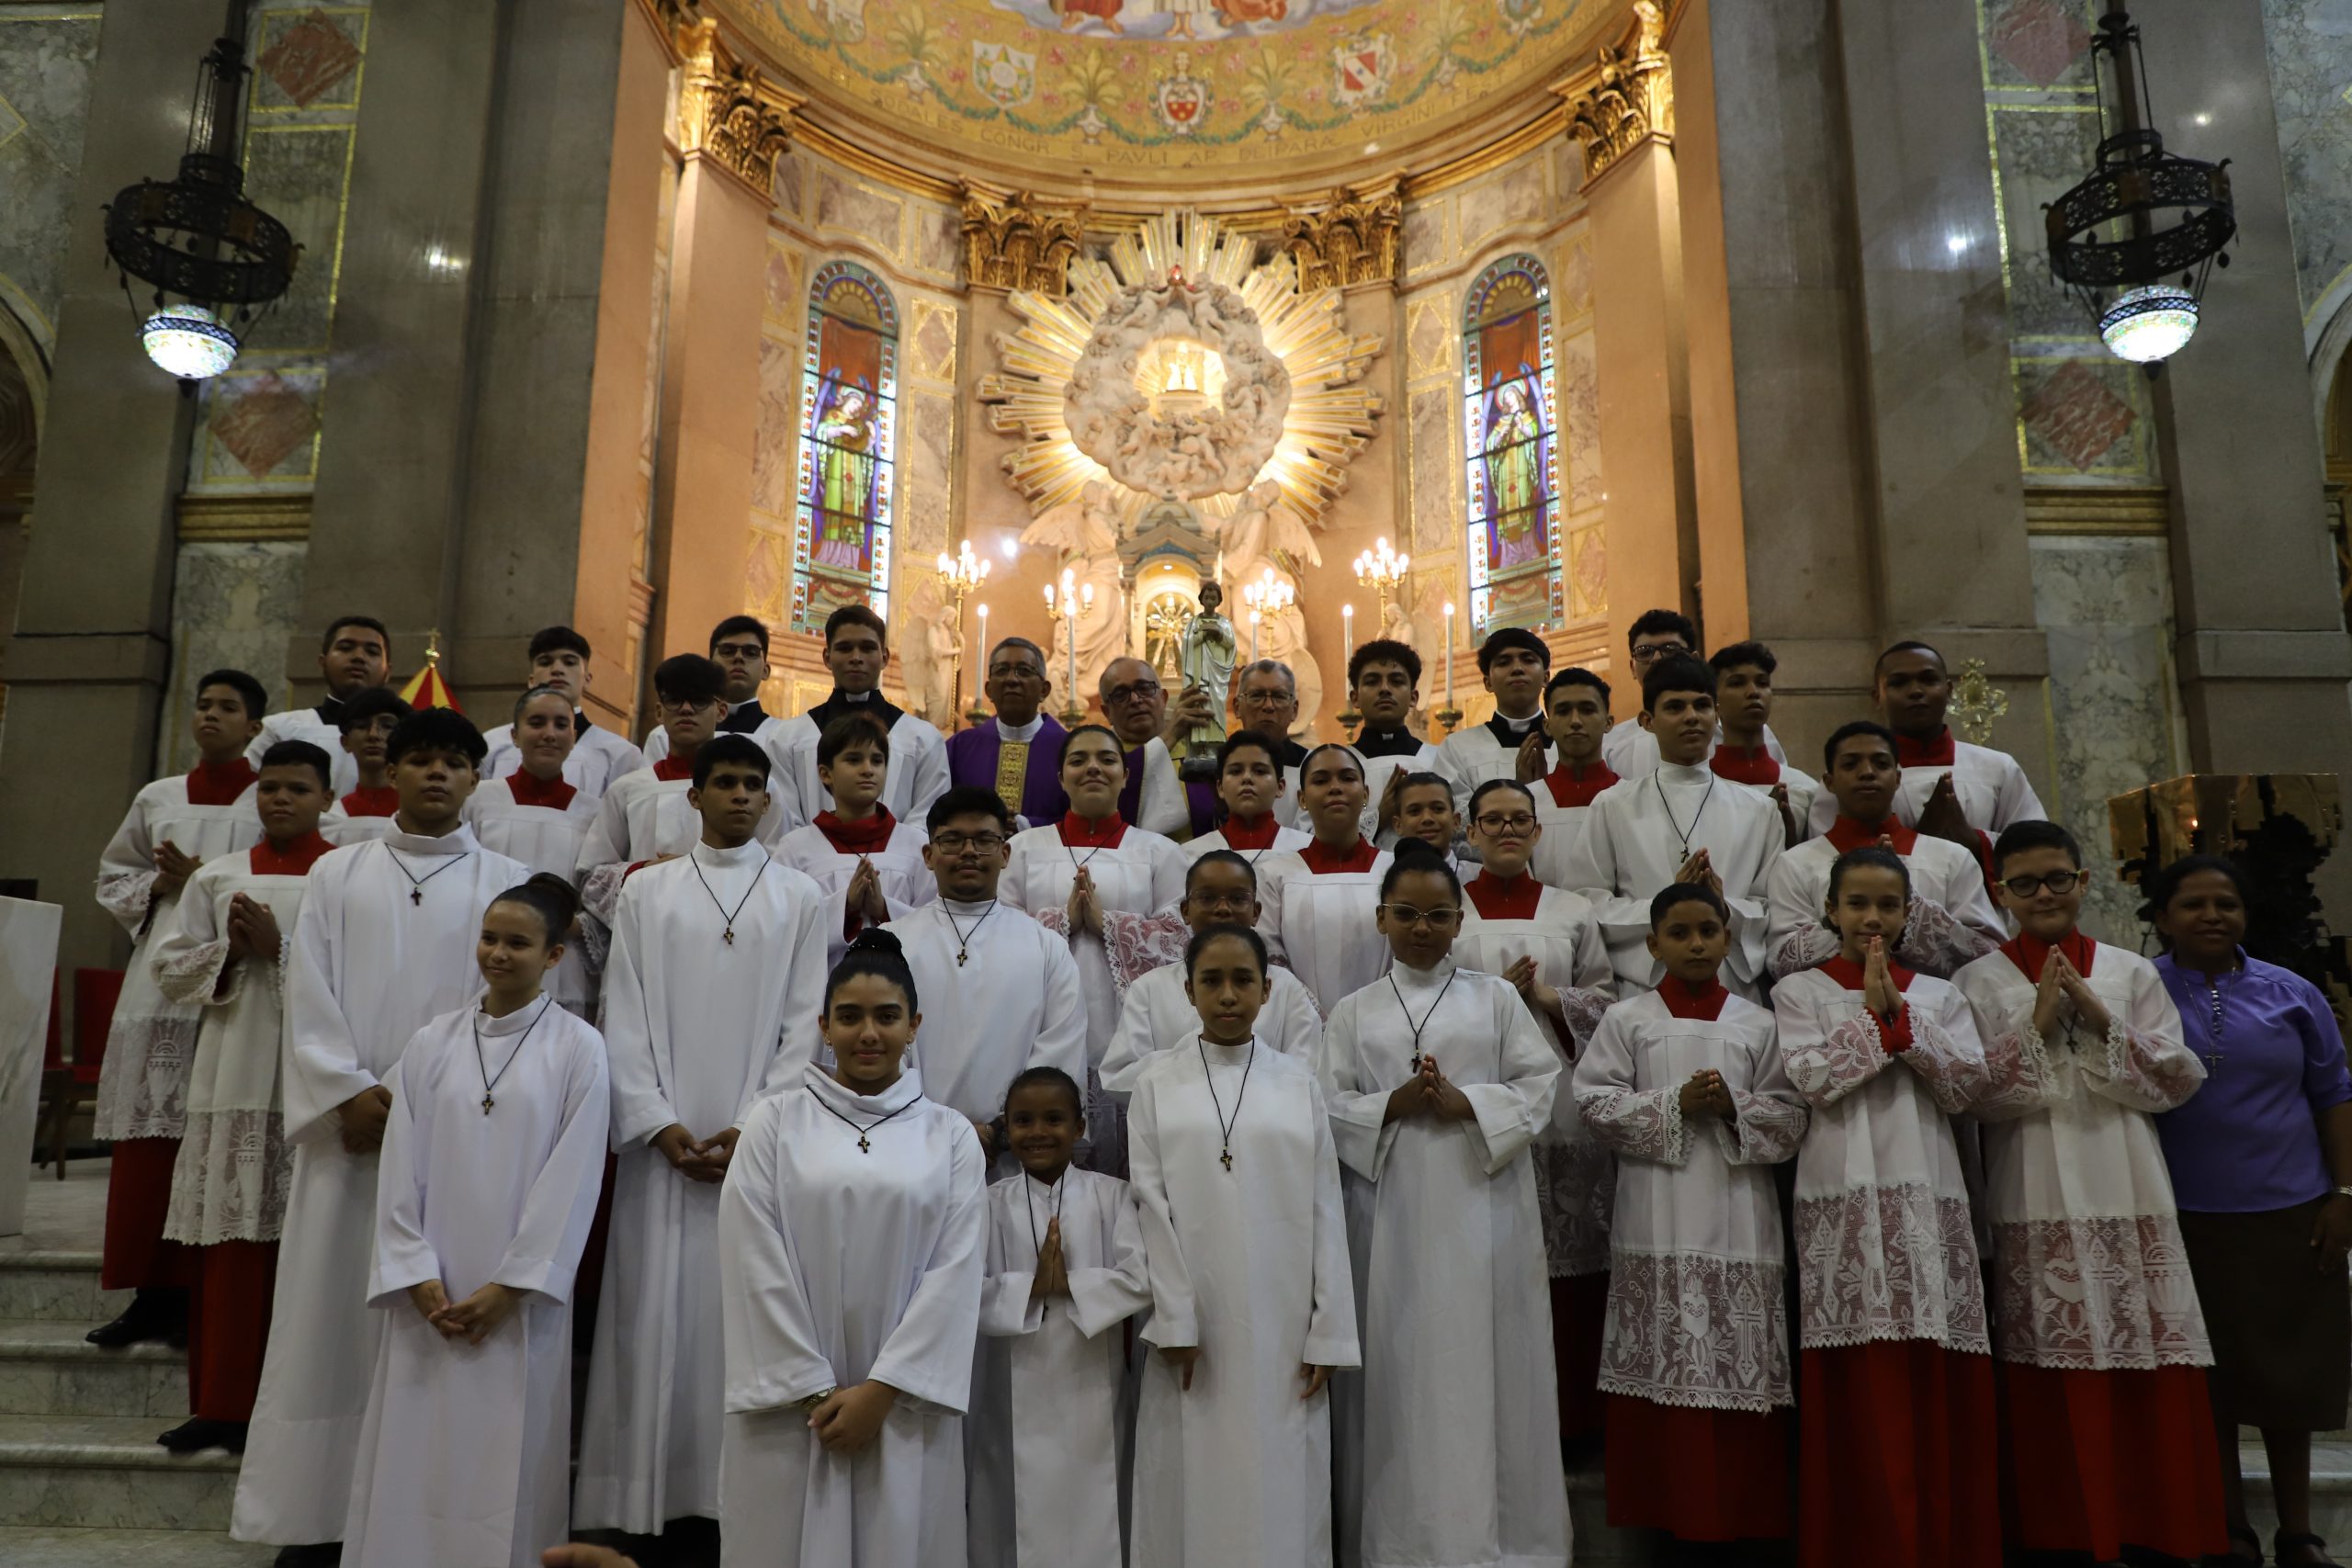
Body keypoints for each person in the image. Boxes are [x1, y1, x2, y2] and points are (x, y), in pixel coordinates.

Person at [234, 708, 531, 1562]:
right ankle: (314, 1516)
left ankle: (412, 1518)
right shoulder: (338, 872)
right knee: (325, 1321)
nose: (437, 775)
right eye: (421, 760)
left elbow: (498, 1005)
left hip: (450, 1135)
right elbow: (309, 988)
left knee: (424, 1316)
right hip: (347, 1137)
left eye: (454, 763)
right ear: (388, 772)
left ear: (478, 779)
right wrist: (348, 1093)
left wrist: (401, 1095)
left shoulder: (508, 881)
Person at [575, 734, 830, 1550]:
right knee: (652, 1318)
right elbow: (626, 1009)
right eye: (726, 783)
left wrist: (754, 1124)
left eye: (754, 785)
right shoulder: (648, 895)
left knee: (741, 1316)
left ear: (769, 798)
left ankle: (735, 1503)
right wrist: (657, 1121)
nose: (741, 797)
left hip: (754, 1150)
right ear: (695, 795)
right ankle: (647, 1504)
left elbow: (804, 1024)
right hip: (667, 1150)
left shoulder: (799, 897)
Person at [1952, 821, 2222, 1565]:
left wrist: (2099, 1019)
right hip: (2030, 1180)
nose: (2044, 894)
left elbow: (2176, 1079)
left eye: (2058, 879)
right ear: (2000, 892)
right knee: (2055, 1352)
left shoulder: (2130, 973)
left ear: (2083, 880)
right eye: (2026, 883)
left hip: (2127, 1174)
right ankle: (2066, 1533)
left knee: (2147, 1349)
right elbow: (1974, 1094)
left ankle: (2155, 1527)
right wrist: (2038, 1023)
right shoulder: (1977, 981)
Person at [341, 875, 610, 1568]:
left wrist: (514, 1284)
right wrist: (414, 1270)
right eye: (489, 938)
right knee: (413, 1446)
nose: (497, 953)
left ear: (554, 955)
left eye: (517, 942)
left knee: (506, 1457)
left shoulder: (579, 1049)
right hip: (429, 1293)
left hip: (516, 1302)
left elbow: (572, 1178)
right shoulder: (432, 1041)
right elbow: (401, 1162)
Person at [1317, 843, 1570, 1568]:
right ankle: (1399, 1544)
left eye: (1437, 915)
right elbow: (1326, 1104)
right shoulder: (1354, 1010)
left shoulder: (1494, 999)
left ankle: (1503, 1542)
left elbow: (1538, 1084)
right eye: (1407, 914)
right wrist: (1391, 1104)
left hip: (1482, 1206)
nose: (1421, 928)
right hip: (1387, 1210)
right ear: (1380, 918)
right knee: (1398, 1371)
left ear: (1460, 920)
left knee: (1490, 1364)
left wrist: (1467, 1103)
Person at [716, 930, 989, 1568]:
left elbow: (957, 1271)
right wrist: (812, 1388)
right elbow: (750, 1252)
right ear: (824, 1025)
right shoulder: (772, 1121)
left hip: (902, 1406)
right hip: (789, 1408)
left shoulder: (949, 1135)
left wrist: (883, 1390)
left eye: (887, 1016)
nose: (869, 1032)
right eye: (851, 1016)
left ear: (914, 1025)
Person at [1771, 845, 1998, 1568]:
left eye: (1888, 905)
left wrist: (1901, 1016)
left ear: (1908, 914)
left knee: (1932, 1361)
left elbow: (1967, 1088)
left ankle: (1941, 1541)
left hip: (1929, 1187)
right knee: (1854, 1373)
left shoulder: (1940, 992)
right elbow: (1809, 1077)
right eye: (1857, 903)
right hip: (1839, 1191)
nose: (1872, 918)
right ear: (1829, 910)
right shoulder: (1797, 991)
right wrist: (1876, 1022)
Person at [1574, 882, 1805, 1551]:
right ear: (1652, 944)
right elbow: (1593, 1103)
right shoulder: (1629, 1018)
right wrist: (1677, 1103)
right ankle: (1666, 1527)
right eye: (1680, 932)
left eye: (1709, 929)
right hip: (1656, 1217)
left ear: (1729, 939)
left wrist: (1734, 1108)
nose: (1697, 943)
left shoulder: (1757, 1022)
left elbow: (1791, 1117)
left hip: (1740, 1218)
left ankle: (1742, 1526)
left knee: (1736, 1374)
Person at [1127, 923, 1360, 1568]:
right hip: (1195, 1319)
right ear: (1188, 990)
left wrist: (1330, 1327)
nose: (1228, 994)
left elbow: (1324, 1204)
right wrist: (1174, 1317)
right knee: (1192, 1473)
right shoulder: (1155, 1084)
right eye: (1212, 980)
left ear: (1267, 990)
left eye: (1242, 981)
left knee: (1283, 1470)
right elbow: (1150, 1204)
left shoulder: (1297, 1082)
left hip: (1285, 1321)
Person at [2148, 855, 2352, 1568]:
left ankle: (2299, 1534)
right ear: (2163, 916)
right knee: (2213, 1385)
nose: (2211, 916)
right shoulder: (2141, 991)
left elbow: (2334, 1094)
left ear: (2245, 913)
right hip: (2184, 1215)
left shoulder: (2292, 992)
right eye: (2193, 904)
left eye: (2226, 903)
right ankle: (2230, 1530)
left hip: (2291, 1211)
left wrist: (2344, 1194)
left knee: (2291, 1381)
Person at [147, 739, 334, 1455]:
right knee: (229, 1251)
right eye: (271, 787)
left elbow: (359, 971)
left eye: (297, 788)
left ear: (327, 797)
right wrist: (229, 950)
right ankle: (221, 1404)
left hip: (312, 1083)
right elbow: (170, 967)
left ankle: (294, 1412)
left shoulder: (344, 875)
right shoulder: (217, 877)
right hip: (229, 1077)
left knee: (305, 1255)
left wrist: (279, 948)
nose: (281, 799)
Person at [88, 668, 269, 1351]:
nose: (210, 716)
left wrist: (208, 884)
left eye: (228, 708)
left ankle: (206, 1291)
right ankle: (150, 1293)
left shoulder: (273, 796)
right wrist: (161, 884)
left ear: (255, 726)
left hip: (237, 984)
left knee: (221, 1140)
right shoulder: (158, 795)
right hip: (159, 987)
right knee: (151, 1144)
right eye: (203, 706)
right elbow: (115, 875)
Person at [1453, 779, 1616, 1449]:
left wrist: (1553, 999)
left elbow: (1608, 1005)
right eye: (1492, 819)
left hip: (1559, 1108)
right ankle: (1490, 1426)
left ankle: (1570, 1423)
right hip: (1475, 1106)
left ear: (1539, 830)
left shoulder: (1572, 910)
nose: (1507, 829)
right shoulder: (1449, 910)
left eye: (1520, 819)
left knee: (1567, 1273)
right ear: (1471, 831)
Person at [969, 1066, 1153, 1568]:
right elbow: (961, 1294)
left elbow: (1140, 1277)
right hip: (1011, 1382)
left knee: (1099, 1505)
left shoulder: (1112, 1195)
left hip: (1093, 1380)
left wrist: (1070, 1285)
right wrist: (1031, 1288)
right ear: (1008, 1128)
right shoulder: (986, 1203)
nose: (1039, 1132)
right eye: (1024, 1121)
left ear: (1079, 1127)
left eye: (1054, 1118)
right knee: (1011, 1508)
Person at [1002, 725, 1190, 1168]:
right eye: (1079, 760)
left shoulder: (1160, 853)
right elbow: (996, 931)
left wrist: (1108, 924)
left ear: (1126, 776)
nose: (1093, 768)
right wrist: (1061, 922)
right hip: (1038, 1022)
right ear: (1061, 776)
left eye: (1107, 760)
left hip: (1129, 1025)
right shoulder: (1022, 850)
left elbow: (1183, 936)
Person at [880, 788, 1089, 1179]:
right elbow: (876, 1055)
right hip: (912, 1154)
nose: (969, 851)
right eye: (952, 840)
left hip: (1013, 1160)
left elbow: (1059, 1053)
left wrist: (998, 1131)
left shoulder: (1047, 947)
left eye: (985, 840)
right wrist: (943, 1131)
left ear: (1005, 853)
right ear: (929, 856)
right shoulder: (892, 943)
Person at [1566, 657, 1782, 998]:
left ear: (1717, 714)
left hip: (1734, 991)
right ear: (1647, 721)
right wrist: (1666, 907)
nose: (1691, 717)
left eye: (1702, 705)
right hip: (1644, 989)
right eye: (1675, 707)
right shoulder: (1613, 805)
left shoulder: (1760, 810)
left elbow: (1773, 907)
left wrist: (1724, 908)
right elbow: (1585, 903)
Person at [1765, 720, 2004, 980]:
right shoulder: (1796, 863)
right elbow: (1781, 962)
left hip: (1935, 1010)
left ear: (1898, 777)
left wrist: (1912, 909)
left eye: (1881, 763)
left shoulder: (1951, 858)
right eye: (1850, 764)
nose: (1867, 772)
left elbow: (1989, 957)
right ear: (1829, 781)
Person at [578, 654, 785, 929]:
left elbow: (778, 866)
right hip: (650, 925)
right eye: (675, 700)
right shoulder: (628, 790)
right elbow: (592, 878)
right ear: (660, 712)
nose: (686, 709)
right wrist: (644, 871)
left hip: (734, 922)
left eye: (698, 700)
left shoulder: (756, 787)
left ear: (721, 711)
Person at [1102, 849, 1324, 1100]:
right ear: (1185, 910)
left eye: (1238, 898)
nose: (1222, 909)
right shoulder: (1149, 988)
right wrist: (1202, 1059)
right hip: (1179, 1127)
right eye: (1207, 898)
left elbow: (1307, 1074)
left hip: (1264, 1120)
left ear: (1256, 912)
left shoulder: (1286, 988)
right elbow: (1118, 1079)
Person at [1814, 640, 2046, 850]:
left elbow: (2037, 847)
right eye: (1899, 682)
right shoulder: (1849, 774)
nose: (1915, 691)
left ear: (1949, 690)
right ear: (1878, 697)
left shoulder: (1998, 768)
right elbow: (1824, 855)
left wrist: (1975, 841)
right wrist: (1920, 844)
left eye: (1928, 679)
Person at [465, 685, 604, 1019]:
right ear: (515, 734)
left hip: (563, 962)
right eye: (537, 722)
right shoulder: (479, 799)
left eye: (560, 725)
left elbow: (601, 893)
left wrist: (570, 924)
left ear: (574, 736)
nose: (549, 734)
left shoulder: (595, 812)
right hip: (488, 956)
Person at [774, 712, 936, 967]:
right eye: (853, 759)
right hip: (823, 991)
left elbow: (936, 928)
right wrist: (846, 907)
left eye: (877, 760)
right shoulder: (795, 850)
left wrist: (883, 908)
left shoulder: (917, 846)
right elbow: (782, 930)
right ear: (826, 774)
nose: (868, 770)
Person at [764, 606, 950, 829]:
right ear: (827, 657)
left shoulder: (923, 738)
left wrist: (893, 857)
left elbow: (929, 817)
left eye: (867, 648)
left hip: (901, 862)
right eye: (844, 648)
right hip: (803, 863)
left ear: (884, 657)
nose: (856, 657)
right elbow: (781, 821)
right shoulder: (787, 739)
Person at [1256, 743, 1396, 1016]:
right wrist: (1314, 1019)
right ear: (1302, 799)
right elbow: (1272, 960)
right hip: (1301, 1024)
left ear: (1365, 793)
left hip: (1384, 1020)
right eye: (1321, 780)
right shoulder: (1275, 875)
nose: (1335, 787)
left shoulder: (1394, 870)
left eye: (1347, 778)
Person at [1600, 609, 1786, 780]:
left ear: (1694, 659)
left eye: (1670, 649)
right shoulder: (1612, 742)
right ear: (1632, 667)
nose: (1656, 659)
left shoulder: (1736, 730)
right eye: (1644, 652)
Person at [479, 625, 647, 795]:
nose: (557, 670)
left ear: (587, 679)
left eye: (569, 662)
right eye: (545, 662)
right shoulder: (493, 745)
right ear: (531, 680)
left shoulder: (620, 754)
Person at [247, 615, 392, 797]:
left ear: (388, 671)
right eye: (346, 648)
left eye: (372, 651)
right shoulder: (280, 729)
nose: (358, 657)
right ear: (322, 662)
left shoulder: (407, 735)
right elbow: (248, 797)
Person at [944, 636, 1070, 828]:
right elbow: (939, 812)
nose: (1012, 679)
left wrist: (1025, 825)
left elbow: (1084, 820)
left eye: (1024, 671)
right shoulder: (959, 747)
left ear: (1044, 690)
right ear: (988, 689)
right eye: (1002, 670)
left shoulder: (1070, 750)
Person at [1706, 640, 1817, 846]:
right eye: (1737, 683)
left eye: (1762, 683)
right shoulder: (1697, 785)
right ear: (1713, 699)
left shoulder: (1805, 789)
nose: (1753, 692)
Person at [1430, 627, 1551, 814]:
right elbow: (1454, 819)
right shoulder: (1458, 749)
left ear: (1546, 677)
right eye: (1504, 662)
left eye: (1528, 660)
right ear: (1488, 683)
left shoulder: (1571, 744)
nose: (1517, 669)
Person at [1099, 656, 1219, 841]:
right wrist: (1171, 735)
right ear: (1107, 712)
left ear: (1163, 698)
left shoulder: (1197, 750)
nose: (1135, 700)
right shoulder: (1099, 758)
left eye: (1145, 688)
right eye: (1121, 694)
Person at [642, 615, 786, 765]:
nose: (738, 658)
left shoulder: (783, 737)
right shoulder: (665, 735)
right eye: (727, 651)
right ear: (710, 665)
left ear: (766, 670)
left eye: (751, 652)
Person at [1522, 667, 1617, 890]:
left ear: (1608, 722)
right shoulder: (1529, 802)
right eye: (1563, 711)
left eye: (1587, 709)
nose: (1575, 721)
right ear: (1547, 726)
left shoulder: (1632, 797)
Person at [1345, 639, 1431, 840]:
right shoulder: (1338, 765)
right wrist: (1379, 816)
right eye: (1372, 681)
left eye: (1396, 681)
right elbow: (1316, 835)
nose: (1384, 689)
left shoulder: (1439, 758)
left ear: (1413, 697)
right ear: (1355, 698)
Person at [1183, 728, 1310, 864]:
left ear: (1280, 787)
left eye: (1260, 771)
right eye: (1236, 771)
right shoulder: (1190, 856)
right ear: (1220, 787)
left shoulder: (1306, 850)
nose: (1247, 778)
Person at [322, 686, 413, 844]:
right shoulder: (328, 819)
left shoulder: (420, 816)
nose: (373, 735)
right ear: (346, 742)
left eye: (387, 726)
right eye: (362, 726)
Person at [1231, 659, 1309, 828]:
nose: (1268, 706)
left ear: (1294, 710)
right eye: (1257, 696)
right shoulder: (1218, 767)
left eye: (1279, 696)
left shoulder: (1312, 768)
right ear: (1237, 707)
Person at [1386, 771, 1463, 864]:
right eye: (1415, 811)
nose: (1427, 818)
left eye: (1438, 809)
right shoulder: (1379, 878)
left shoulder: (1476, 875)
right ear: (1398, 825)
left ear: (1455, 821)